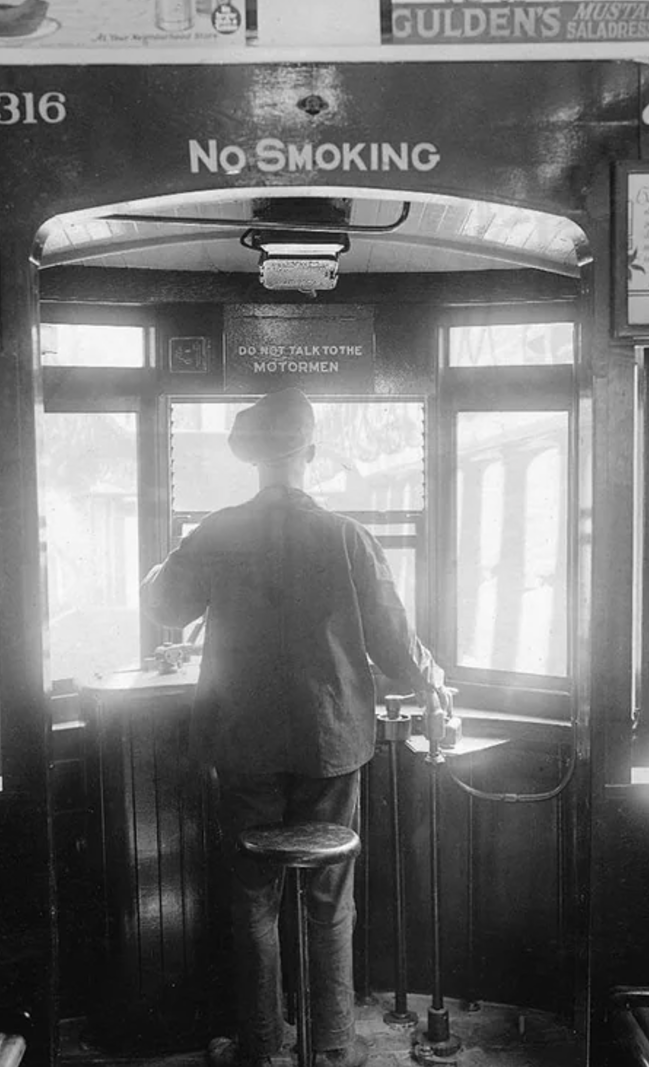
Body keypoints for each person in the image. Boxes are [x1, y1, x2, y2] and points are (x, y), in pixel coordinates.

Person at [141, 388, 448, 1067]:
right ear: (309, 454)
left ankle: (259, 1046)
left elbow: (164, 607)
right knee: (329, 896)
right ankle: (333, 1046)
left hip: (243, 746)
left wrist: (169, 562)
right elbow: (397, 652)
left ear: (251, 458)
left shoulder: (218, 531)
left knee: (253, 899)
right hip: (332, 743)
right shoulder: (347, 538)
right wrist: (429, 678)